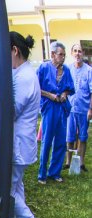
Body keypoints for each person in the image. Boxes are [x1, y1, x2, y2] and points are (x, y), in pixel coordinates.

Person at [0, 32, 43, 218]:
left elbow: (11, 110)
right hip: (18, 142)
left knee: (6, 188)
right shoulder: (20, 74)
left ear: (14, 51)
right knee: (16, 187)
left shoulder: (25, 77)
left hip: (17, 143)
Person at [36, 41, 75, 184]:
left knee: (60, 140)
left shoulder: (66, 70)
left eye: (64, 55)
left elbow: (70, 87)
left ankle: (55, 172)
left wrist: (64, 93)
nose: (63, 57)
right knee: (46, 141)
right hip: (49, 106)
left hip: (62, 107)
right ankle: (42, 174)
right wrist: (50, 95)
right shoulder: (43, 68)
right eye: (61, 54)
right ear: (53, 54)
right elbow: (36, 88)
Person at [65, 44, 91, 172]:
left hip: (84, 109)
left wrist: (90, 109)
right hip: (70, 109)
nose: (77, 54)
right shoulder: (68, 69)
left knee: (82, 137)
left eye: (79, 51)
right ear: (71, 53)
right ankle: (68, 162)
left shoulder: (89, 70)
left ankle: (81, 163)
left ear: (83, 53)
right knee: (69, 137)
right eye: (75, 51)